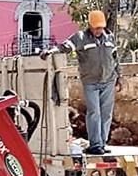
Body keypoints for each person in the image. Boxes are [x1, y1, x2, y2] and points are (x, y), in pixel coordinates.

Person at [40, 10, 121, 155]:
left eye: (101, 27)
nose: (99, 30)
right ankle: (95, 145)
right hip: (90, 82)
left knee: (106, 114)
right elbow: (64, 47)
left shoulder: (110, 38)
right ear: (90, 25)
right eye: (96, 27)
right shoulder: (81, 37)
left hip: (108, 80)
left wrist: (119, 77)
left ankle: (102, 143)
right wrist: (50, 51)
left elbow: (115, 58)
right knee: (94, 112)